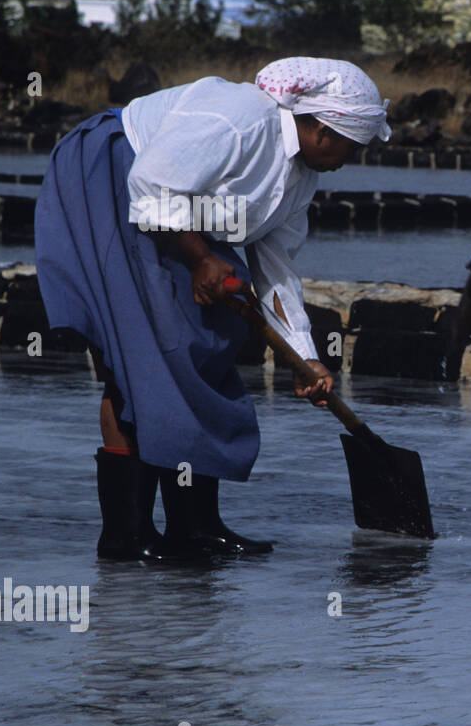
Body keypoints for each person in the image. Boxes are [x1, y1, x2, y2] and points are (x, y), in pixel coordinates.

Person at [34, 57, 392, 561]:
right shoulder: (239, 119)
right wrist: (201, 257)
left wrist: (304, 355)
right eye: (353, 148)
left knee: (208, 342)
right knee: (147, 352)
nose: (350, 160)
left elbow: (275, 269)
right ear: (324, 128)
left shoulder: (301, 178)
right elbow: (154, 180)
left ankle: (194, 525)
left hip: (168, 207)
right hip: (115, 172)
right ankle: (125, 533)